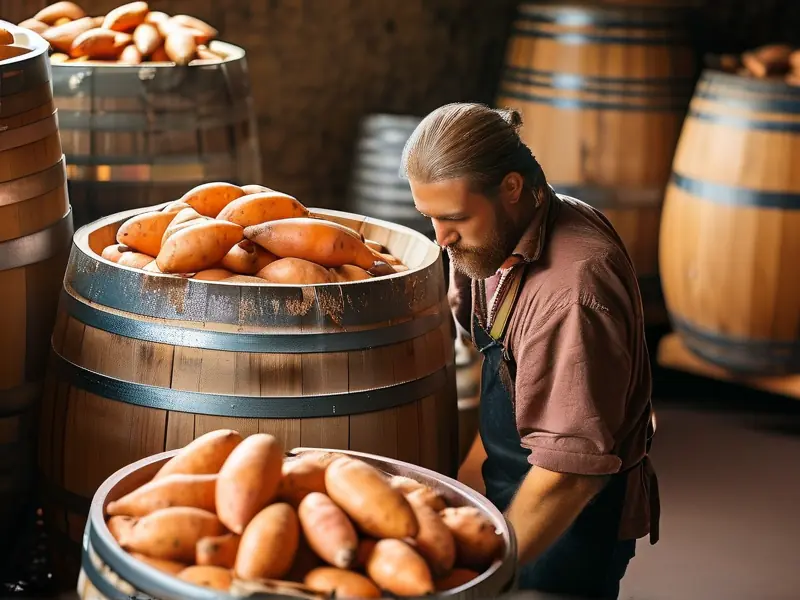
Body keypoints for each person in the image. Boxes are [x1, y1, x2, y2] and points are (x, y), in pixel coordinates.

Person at [400, 103, 659, 599]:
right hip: (512, 487)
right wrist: (470, 480)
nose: (441, 236)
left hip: (568, 521)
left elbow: (569, 475)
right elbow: (499, 367)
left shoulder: (573, 291)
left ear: (512, 188)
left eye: (454, 217)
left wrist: (488, 573)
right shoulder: (487, 244)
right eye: (428, 216)